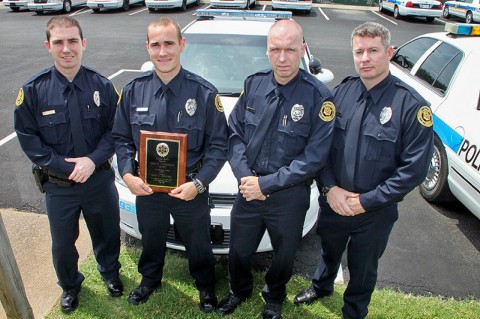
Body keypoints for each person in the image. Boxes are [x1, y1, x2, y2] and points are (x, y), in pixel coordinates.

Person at [293, 22, 434, 319]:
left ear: (389, 53)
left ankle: (354, 311)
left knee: (363, 265)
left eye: (373, 51)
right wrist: (330, 189)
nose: (365, 58)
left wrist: (365, 202)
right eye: (359, 51)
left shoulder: (411, 106)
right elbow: (322, 148)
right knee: (329, 250)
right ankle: (321, 286)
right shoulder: (340, 94)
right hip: (334, 201)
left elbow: (413, 170)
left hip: (375, 211)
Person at [216, 19, 335, 319]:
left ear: (302, 50)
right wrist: (246, 177)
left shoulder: (319, 97)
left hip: (288, 195)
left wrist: (265, 185)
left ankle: (274, 297)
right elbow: (235, 134)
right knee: (239, 251)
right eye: (276, 50)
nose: (283, 58)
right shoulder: (253, 85)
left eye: (290, 50)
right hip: (249, 187)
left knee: (283, 254)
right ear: (267, 52)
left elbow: (314, 158)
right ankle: (239, 291)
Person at [112, 18, 228, 312]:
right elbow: (122, 138)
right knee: (150, 238)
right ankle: (150, 280)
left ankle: (205, 286)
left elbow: (218, 146)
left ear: (181, 45)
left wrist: (199, 183)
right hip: (148, 188)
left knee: (198, 241)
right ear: (147, 48)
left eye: (169, 44)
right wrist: (127, 173)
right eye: (156, 45)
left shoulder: (203, 93)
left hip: (189, 187)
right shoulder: (133, 91)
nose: (162, 52)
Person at [13, 17, 123, 313]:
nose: (66, 49)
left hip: (98, 179)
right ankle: (70, 285)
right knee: (62, 244)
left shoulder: (102, 85)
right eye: (59, 42)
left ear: (83, 44)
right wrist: (65, 166)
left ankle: (110, 272)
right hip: (60, 186)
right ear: (48, 46)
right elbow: (29, 139)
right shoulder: (34, 91)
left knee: (108, 232)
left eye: (72, 41)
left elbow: (115, 130)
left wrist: (92, 160)